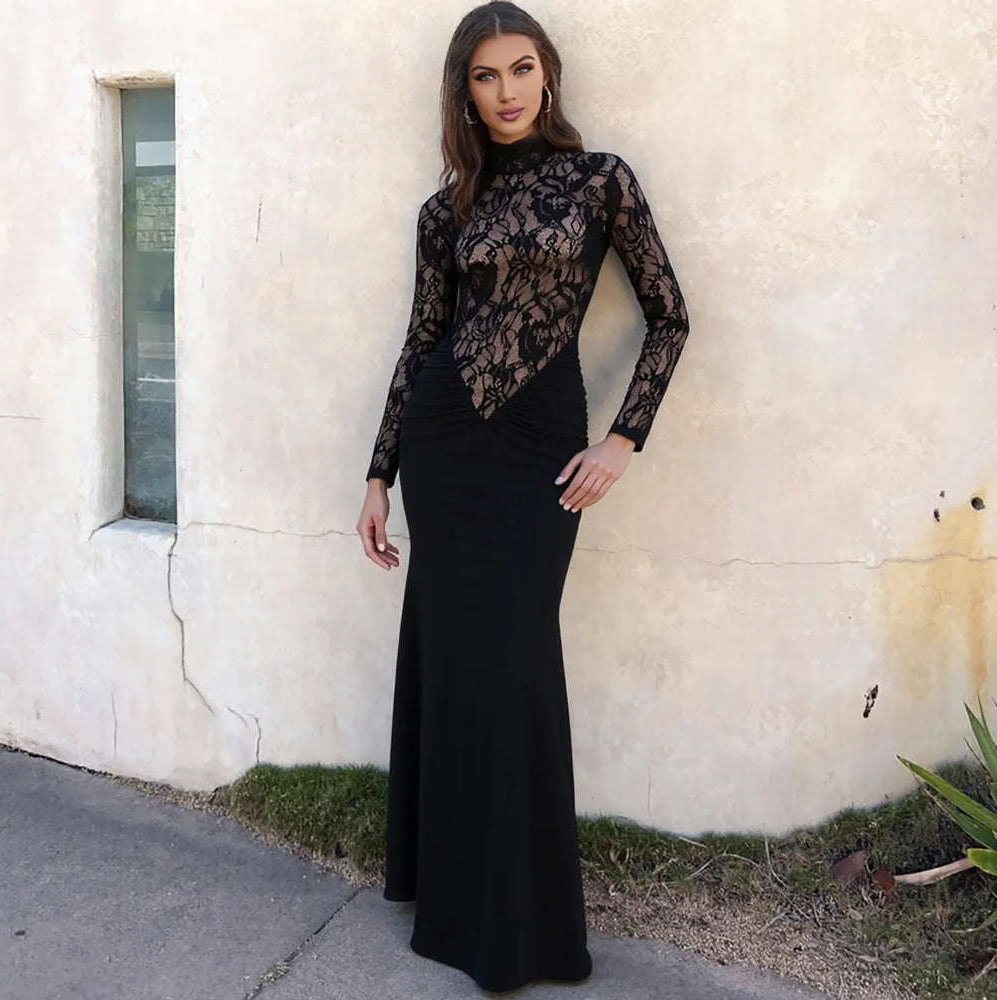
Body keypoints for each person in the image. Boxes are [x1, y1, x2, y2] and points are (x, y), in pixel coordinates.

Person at [356, 1, 689, 991]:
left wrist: (624, 437)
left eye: (521, 69)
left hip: (540, 451)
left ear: (548, 76)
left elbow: (670, 317)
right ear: (464, 90)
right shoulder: (443, 210)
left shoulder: (600, 181)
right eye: (484, 76)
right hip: (444, 449)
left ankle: (518, 920)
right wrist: (378, 473)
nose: (505, 92)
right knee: (457, 669)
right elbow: (422, 344)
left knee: (513, 671)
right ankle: (452, 894)